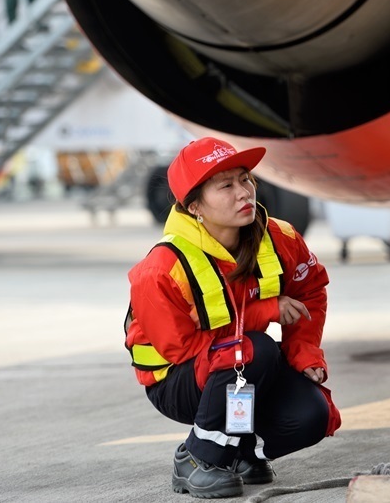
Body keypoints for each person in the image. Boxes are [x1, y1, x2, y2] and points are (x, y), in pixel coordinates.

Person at [125, 137, 340, 499]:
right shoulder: (161, 270)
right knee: (255, 349)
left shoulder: (279, 237)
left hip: (239, 364)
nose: (244, 193)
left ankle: (238, 456)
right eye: (226, 186)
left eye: (245, 179)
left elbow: (310, 290)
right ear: (194, 206)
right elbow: (180, 349)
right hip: (178, 381)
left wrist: (303, 352)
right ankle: (197, 458)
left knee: (312, 415)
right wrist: (265, 311)